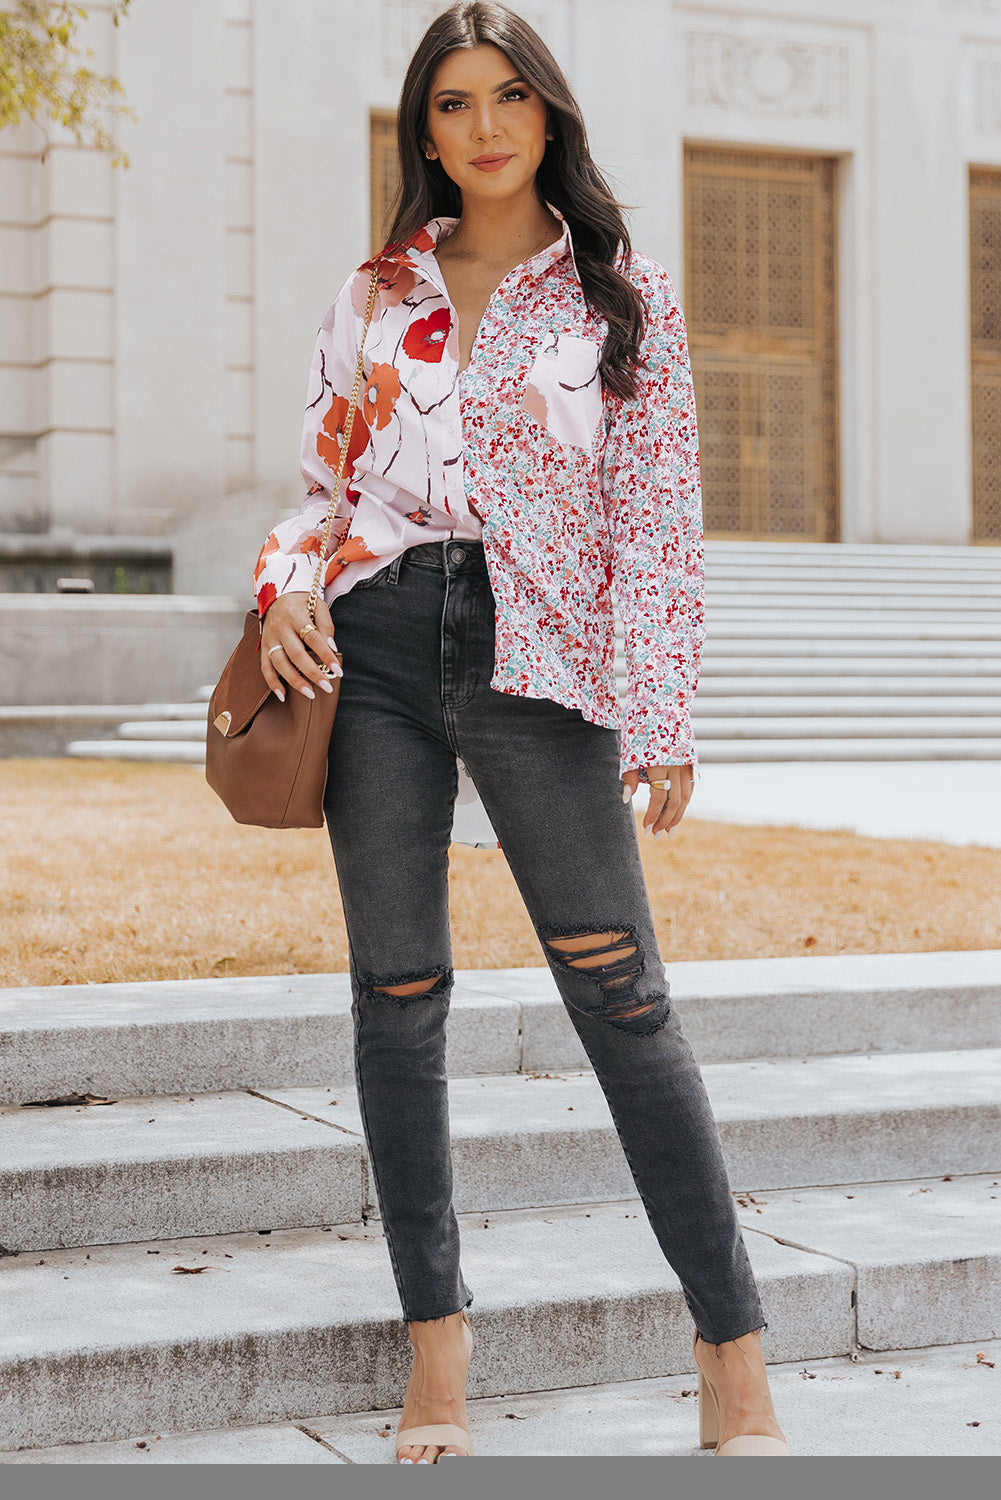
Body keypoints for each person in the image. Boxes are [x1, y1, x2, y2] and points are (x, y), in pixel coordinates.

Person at [253, 0, 790, 1464]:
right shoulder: (375, 291)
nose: (481, 129)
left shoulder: (621, 296)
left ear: (547, 114)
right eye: (450, 105)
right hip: (366, 653)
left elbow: (656, 526)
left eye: (507, 99)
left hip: (535, 657)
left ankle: (733, 1364)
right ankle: (438, 1360)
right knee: (397, 996)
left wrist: (657, 710)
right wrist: (288, 588)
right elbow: (320, 486)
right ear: (421, 128)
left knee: (623, 1000)